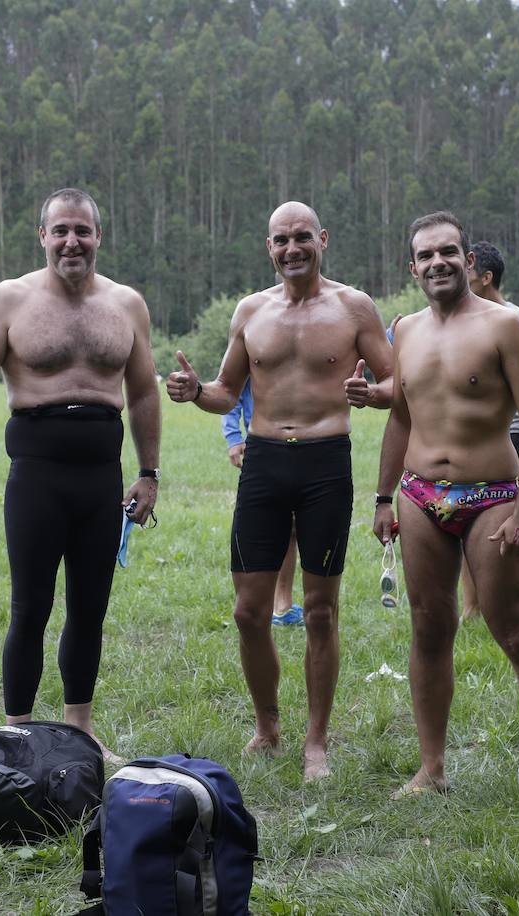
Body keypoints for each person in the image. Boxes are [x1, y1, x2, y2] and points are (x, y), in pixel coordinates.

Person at [167, 201, 393, 781]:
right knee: (248, 612)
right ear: (268, 247)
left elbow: (397, 381)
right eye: (279, 240)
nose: (291, 249)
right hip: (264, 463)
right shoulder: (251, 311)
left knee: (320, 611)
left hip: (325, 464)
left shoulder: (353, 307)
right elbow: (226, 390)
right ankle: (267, 725)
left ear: (323, 239)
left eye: (301, 238)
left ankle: (316, 739)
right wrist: (196, 392)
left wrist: (374, 394)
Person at [372, 211, 519, 805]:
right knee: (428, 629)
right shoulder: (404, 330)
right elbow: (401, 417)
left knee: (518, 634)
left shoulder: (508, 327)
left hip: (493, 497)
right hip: (419, 495)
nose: (438, 262)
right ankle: (430, 768)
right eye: (426, 255)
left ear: (468, 260)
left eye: (448, 252)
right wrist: (383, 498)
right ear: (412, 267)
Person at [0, 188, 159, 761]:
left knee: (90, 607)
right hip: (36, 476)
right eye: (61, 230)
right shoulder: (9, 299)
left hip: (100, 477)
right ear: (42, 236)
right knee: (31, 606)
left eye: (83, 231)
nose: (72, 241)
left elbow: (142, 393)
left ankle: (79, 730)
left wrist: (149, 473)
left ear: (98, 236)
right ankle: (18, 732)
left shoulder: (126, 304)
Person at [461, 241, 519, 624]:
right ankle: (472, 607)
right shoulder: (462, 321)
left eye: (468, 271)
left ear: (486, 277)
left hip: (513, 436)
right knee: (466, 521)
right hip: (472, 439)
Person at [222, 378, 303, 626]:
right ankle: (261, 604)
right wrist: (234, 437)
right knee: (269, 526)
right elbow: (230, 388)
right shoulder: (253, 338)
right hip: (262, 447)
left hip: (310, 445)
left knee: (293, 527)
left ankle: (282, 604)